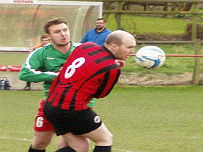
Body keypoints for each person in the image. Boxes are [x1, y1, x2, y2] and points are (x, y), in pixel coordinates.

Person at [43, 30, 136, 152]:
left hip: (51, 105)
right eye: (129, 47)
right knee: (105, 139)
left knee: (80, 147)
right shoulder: (112, 69)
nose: (132, 51)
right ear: (114, 46)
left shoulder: (87, 46)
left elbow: (85, 64)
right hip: (71, 108)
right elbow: (99, 94)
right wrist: (113, 69)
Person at [19, 18, 94, 152]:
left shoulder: (83, 50)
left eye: (65, 30)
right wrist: (58, 76)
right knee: (40, 143)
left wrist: (114, 64)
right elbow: (25, 73)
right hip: (52, 104)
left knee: (76, 146)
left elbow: (101, 65)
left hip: (79, 106)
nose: (63, 34)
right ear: (49, 36)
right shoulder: (41, 53)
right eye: (57, 32)